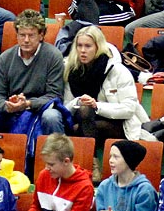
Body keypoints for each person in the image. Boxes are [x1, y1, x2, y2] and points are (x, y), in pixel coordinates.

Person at [62, 27, 151, 180]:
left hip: (119, 124)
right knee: (81, 114)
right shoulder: (71, 70)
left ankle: (93, 166)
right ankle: (91, 164)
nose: (82, 50)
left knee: (85, 113)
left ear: (98, 47)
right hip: (87, 122)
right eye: (79, 45)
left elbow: (129, 109)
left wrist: (97, 106)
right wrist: (78, 101)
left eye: (88, 46)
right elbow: (66, 107)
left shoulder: (117, 70)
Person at [0, 10, 65, 136]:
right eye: (22, 35)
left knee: (52, 116)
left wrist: (28, 104)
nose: (26, 40)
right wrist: (8, 105)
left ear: (41, 35)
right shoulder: (5, 58)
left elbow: (54, 96)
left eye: (31, 35)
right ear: (17, 35)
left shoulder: (53, 56)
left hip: (40, 111)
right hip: (11, 112)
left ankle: (57, 154)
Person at [22, 134, 95, 211]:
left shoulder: (84, 186)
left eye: (51, 164)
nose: (47, 168)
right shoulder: (44, 176)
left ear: (66, 161)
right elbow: (36, 207)